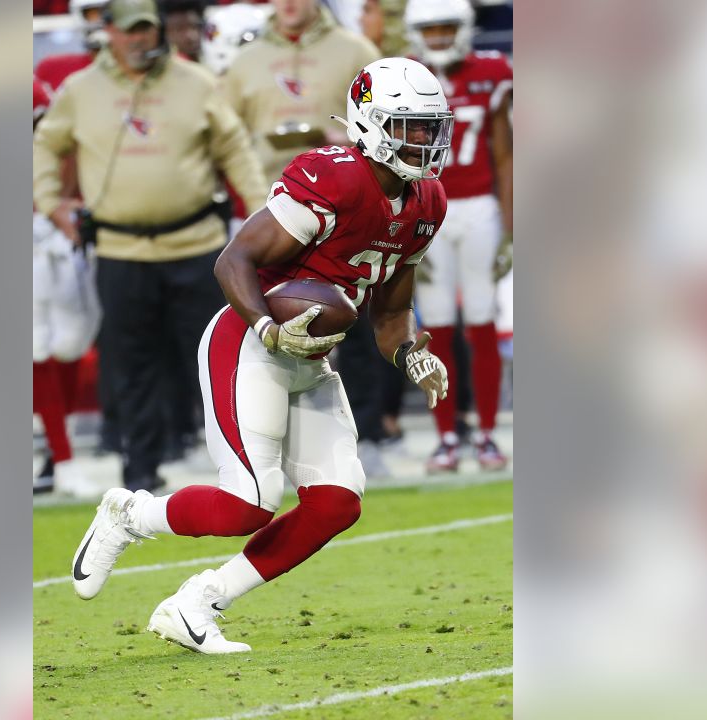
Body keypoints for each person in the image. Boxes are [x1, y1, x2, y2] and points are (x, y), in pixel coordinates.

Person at [69, 57, 452, 654]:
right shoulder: (337, 178)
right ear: (371, 123)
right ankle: (129, 515)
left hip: (312, 356)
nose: (425, 141)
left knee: (336, 502)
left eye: (431, 127)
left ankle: (198, 602)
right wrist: (271, 330)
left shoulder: (427, 201)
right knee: (248, 503)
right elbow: (233, 261)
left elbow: (390, 312)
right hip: (251, 339)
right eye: (410, 126)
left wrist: (411, 355)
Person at [33, 0, 267, 493]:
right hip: (122, 251)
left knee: (215, 357)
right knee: (131, 367)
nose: (141, 40)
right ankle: (139, 471)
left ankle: (245, 467)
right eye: (131, 31)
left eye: (148, 30)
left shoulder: (195, 82)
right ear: (110, 34)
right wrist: (51, 203)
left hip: (196, 242)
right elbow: (45, 146)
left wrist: (261, 211)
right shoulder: (80, 90)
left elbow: (235, 148)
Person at [404, 0, 513, 473]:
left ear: (465, 27)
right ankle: (447, 436)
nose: (441, 37)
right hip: (429, 209)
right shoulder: (404, 78)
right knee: (436, 326)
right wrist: (405, 228)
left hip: (479, 208)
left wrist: (512, 226)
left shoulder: (491, 72)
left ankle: (486, 434)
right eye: (431, 29)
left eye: (448, 27)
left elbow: (505, 152)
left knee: (483, 318)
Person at [223, 0, 380, 184]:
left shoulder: (358, 52)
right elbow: (228, 141)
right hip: (268, 195)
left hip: (345, 189)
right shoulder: (244, 60)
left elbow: (387, 132)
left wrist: (351, 140)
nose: (288, 2)